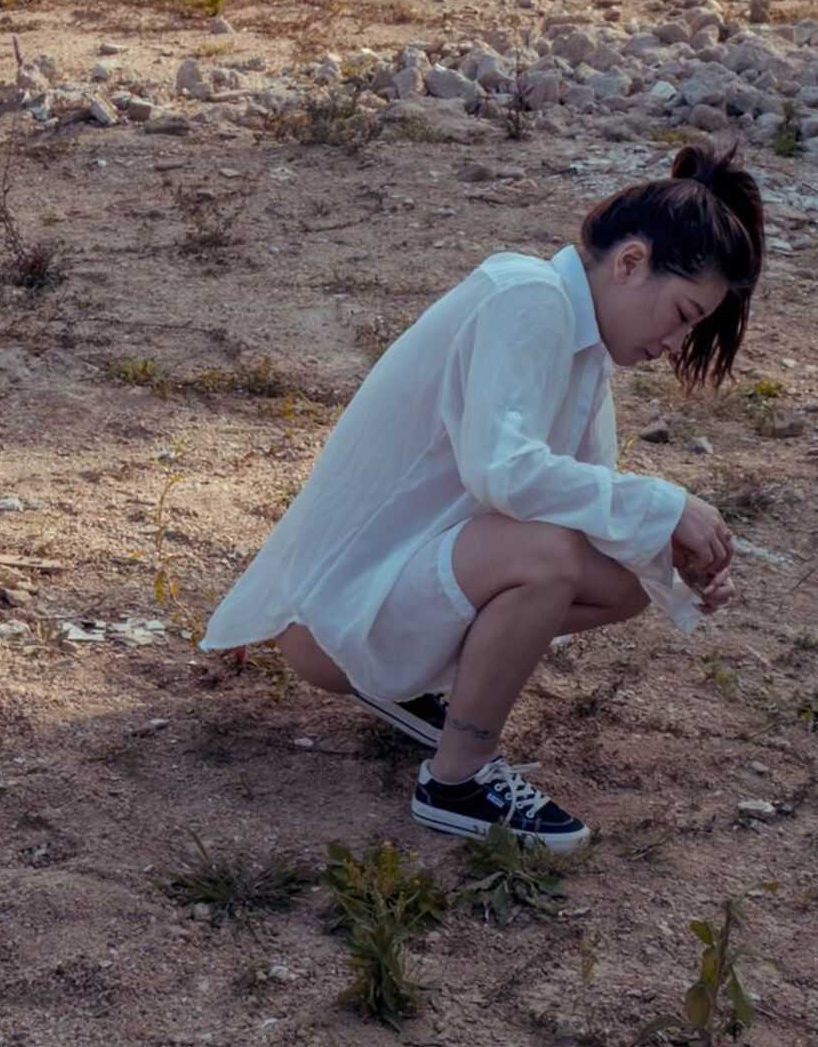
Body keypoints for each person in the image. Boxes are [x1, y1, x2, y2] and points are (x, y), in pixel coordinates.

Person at [200, 140, 766, 853]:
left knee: (625, 580)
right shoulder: (525, 297)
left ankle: (412, 692)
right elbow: (505, 472)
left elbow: (586, 509)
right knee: (548, 557)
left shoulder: (583, 351)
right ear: (630, 263)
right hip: (332, 616)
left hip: (378, 600)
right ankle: (458, 780)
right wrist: (665, 505)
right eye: (683, 313)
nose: (679, 341)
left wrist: (674, 555)